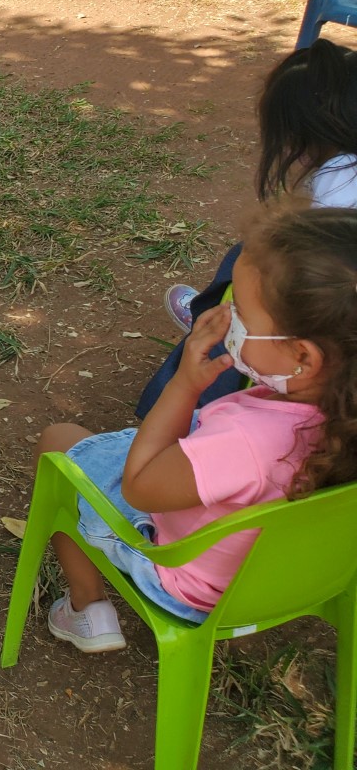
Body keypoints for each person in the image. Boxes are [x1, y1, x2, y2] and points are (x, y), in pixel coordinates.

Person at [36, 205, 357, 653]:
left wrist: (185, 385)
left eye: (241, 312)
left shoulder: (244, 440)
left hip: (195, 587)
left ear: (303, 356)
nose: (227, 318)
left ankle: (86, 609)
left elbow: (139, 489)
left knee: (61, 443)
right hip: (297, 578)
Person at [139, 37, 357, 417]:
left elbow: (309, 261)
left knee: (250, 267)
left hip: (332, 314)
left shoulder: (339, 177)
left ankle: (193, 398)